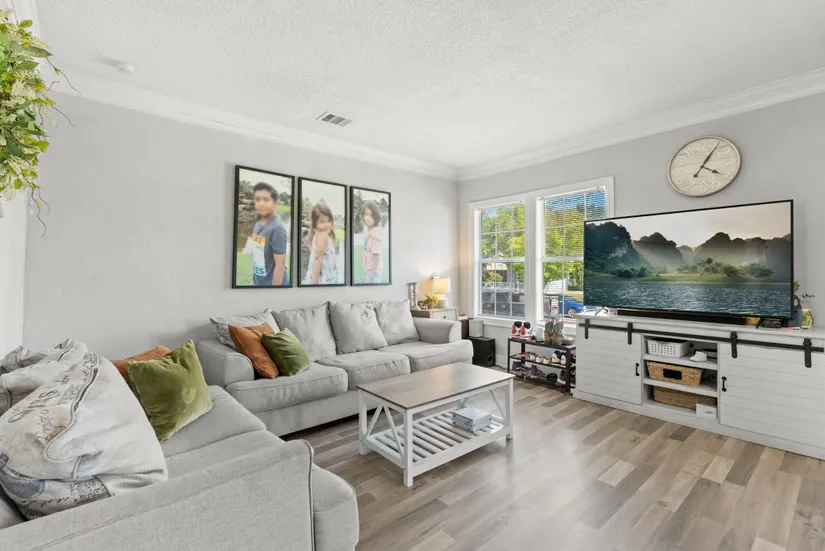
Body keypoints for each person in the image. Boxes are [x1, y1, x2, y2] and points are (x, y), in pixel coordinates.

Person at [247, 182, 289, 286]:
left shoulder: (277, 229)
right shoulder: (258, 225)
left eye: (266, 200)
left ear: (275, 203)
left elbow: (280, 265)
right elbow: (257, 258)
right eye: (257, 199)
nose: (261, 203)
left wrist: (273, 293)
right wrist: (254, 282)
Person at [303, 201, 339, 285]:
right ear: (315, 224)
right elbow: (318, 259)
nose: (327, 224)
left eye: (328, 220)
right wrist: (314, 283)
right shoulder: (322, 236)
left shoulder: (322, 236)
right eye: (322, 222)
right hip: (322, 281)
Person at [360, 201, 383, 283]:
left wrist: (370, 276)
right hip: (370, 270)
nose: (368, 218)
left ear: (376, 217)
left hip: (374, 273)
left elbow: (376, 258)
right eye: (366, 214)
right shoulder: (369, 232)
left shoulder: (375, 234)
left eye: (371, 215)